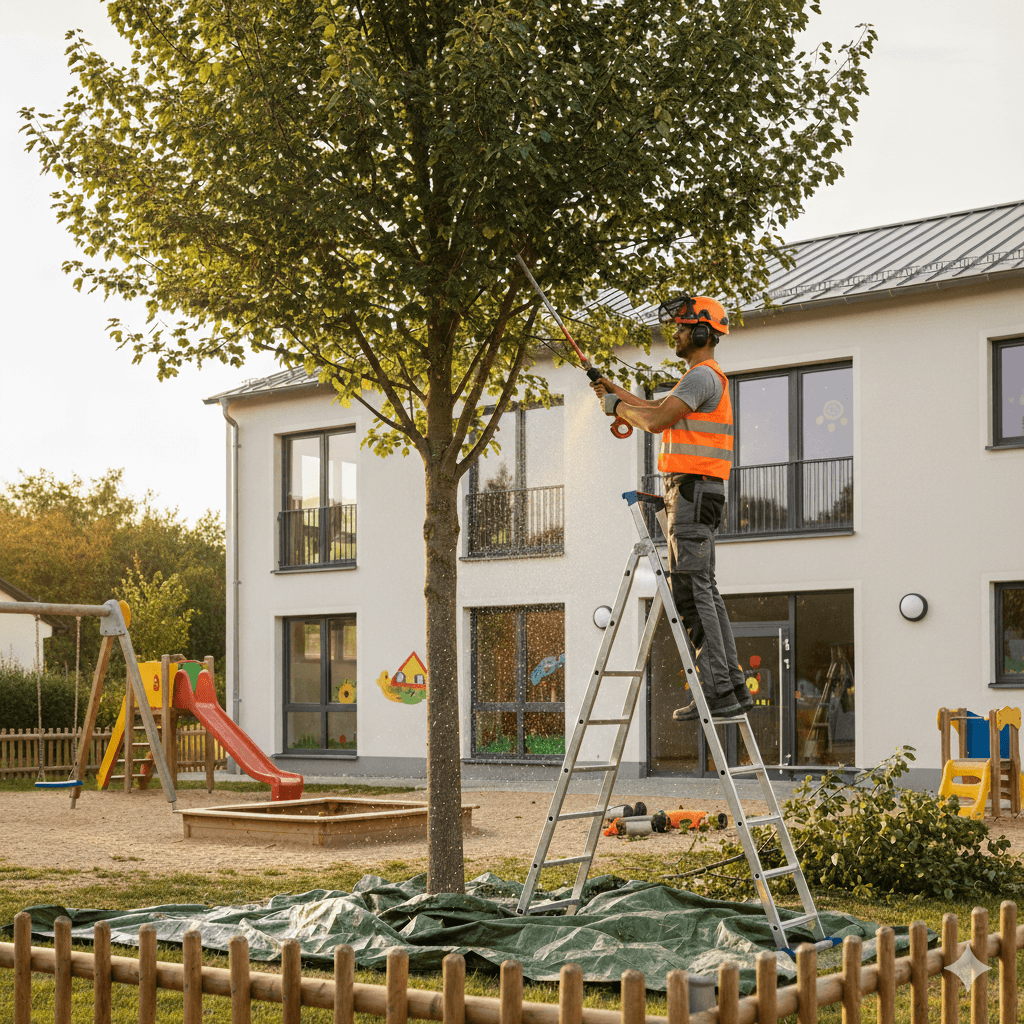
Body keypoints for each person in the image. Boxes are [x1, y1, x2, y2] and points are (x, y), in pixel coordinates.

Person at [591, 294, 753, 719]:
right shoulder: (697, 380)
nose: (675, 335)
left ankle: (718, 692)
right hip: (695, 491)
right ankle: (732, 686)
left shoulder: (702, 376)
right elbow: (656, 409)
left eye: (682, 328)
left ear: (702, 332)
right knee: (699, 589)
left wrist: (617, 407)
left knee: (694, 590)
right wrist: (614, 392)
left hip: (692, 492)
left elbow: (655, 422)